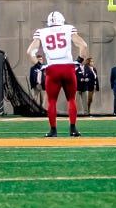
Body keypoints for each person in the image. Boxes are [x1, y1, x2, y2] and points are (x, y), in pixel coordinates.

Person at [26, 10, 86, 138]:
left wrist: (40, 66)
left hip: (52, 68)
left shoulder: (41, 32)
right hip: (68, 67)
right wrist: (79, 61)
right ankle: (73, 129)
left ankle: (53, 130)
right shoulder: (68, 29)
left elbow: (29, 52)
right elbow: (83, 45)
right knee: (71, 99)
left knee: (51, 101)